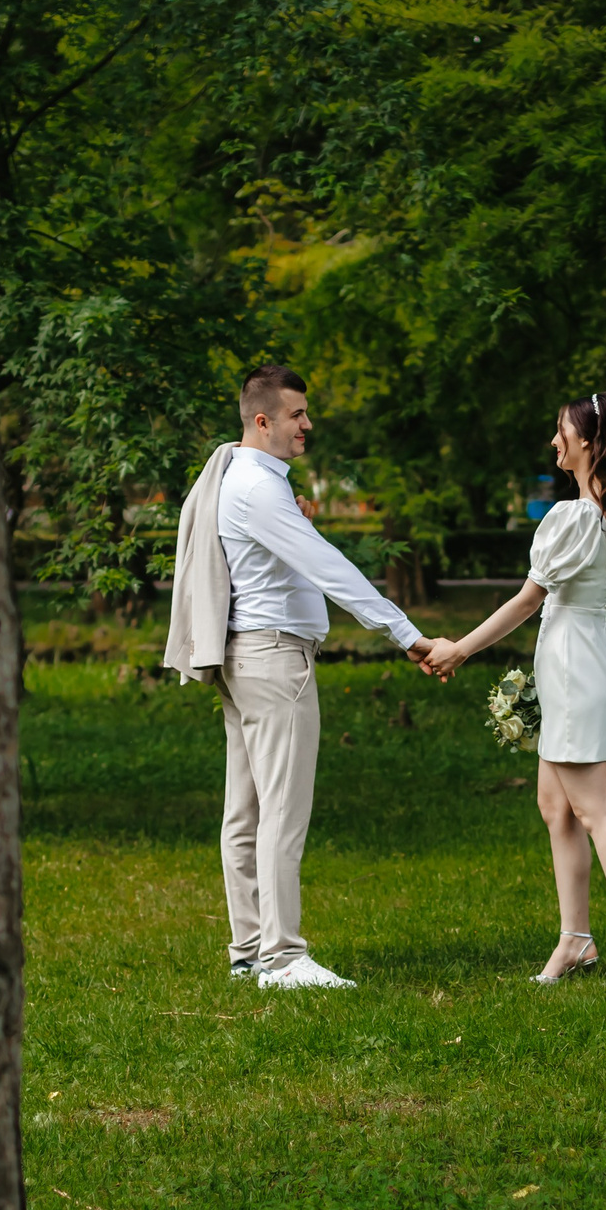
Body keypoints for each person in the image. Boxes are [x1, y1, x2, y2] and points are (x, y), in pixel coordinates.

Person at [161, 364, 440, 989]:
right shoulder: (258, 489)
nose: (308, 425)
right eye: (297, 415)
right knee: (279, 813)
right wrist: (408, 634)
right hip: (273, 659)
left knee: (247, 812)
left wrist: (299, 519)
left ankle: (248, 950)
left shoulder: (242, 476)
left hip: (248, 658)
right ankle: (282, 958)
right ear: (263, 422)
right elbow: (331, 568)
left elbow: (290, 556)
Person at [425, 393, 606, 982]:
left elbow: (529, 599)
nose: (554, 442)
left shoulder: (580, 517)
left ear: (588, 441)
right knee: (556, 805)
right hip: (573, 659)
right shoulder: (597, 512)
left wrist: (459, 647)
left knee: (594, 808)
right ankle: (576, 940)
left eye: (561, 432)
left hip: (575, 665)